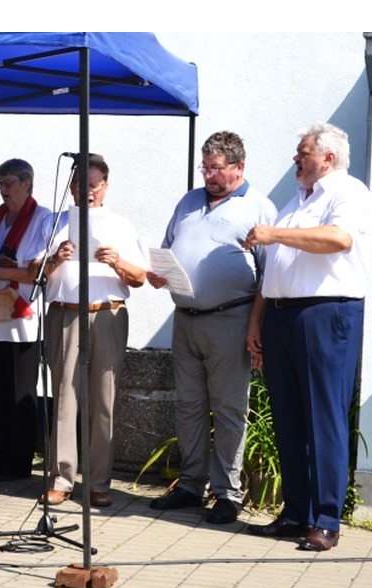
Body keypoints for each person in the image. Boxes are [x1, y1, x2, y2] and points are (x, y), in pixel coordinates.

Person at [244, 123, 372, 551]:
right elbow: (276, 270)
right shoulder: (295, 201)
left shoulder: (347, 192)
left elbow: (338, 238)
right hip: (282, 316)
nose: (296, 159)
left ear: (328, 157)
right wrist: (257, 322)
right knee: (289, 418)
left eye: (302, 152)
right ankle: (296, 512)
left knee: (324, 418)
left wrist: (273, 233)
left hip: (325, 312)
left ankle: (327, 519)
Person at [147, 132, 277, 524]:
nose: (208, 176)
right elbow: (169, 247)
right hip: (185, 320)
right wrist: (159, 273)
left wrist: (256, 327)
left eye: (217, 168)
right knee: (188, 406)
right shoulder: (189, 201)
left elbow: (269, 278)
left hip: (230, 320)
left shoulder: (259, 207)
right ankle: (190, 485)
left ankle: (227, 494)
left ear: (240, 167)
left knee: (228, 408)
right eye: (205, 167)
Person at [40, 155, 146, 507]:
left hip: (107, 315)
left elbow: (141, 277)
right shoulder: (55, 223)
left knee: (104, 400)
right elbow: (32, 271)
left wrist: (117, 262)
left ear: (106, 186)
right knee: (64, 399)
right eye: (78, 185)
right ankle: (61, 477)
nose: (85, 192)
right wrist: (56, 258)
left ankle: (99, 482)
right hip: (65, 314)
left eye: (93, 185)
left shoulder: (120, 225)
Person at [0, 159, 48, 481]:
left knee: (20, 391)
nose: (4, 190)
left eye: (9, 183)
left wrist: (2, 272)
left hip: (21, 316)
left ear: (27, 183)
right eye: (0, 184)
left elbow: (40, 270)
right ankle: (0, 454)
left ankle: (19, 461)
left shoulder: (43, 219)